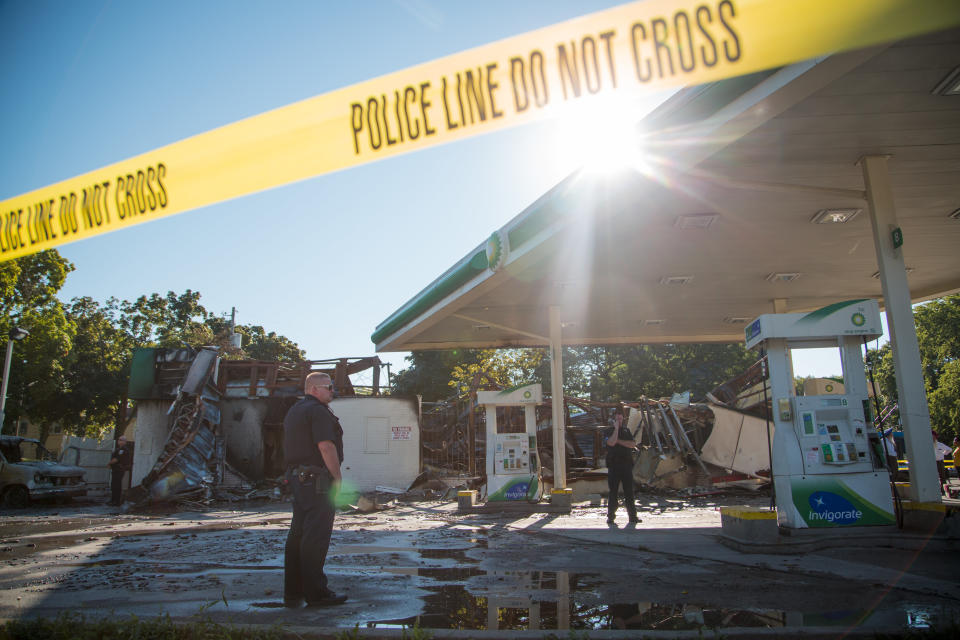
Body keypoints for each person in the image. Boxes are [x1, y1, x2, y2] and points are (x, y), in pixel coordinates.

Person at [282, 372, 347, 608]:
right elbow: (326, 446)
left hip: (298, 480)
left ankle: (293, 592)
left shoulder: (294, 411)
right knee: (315, 536)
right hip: (317, 481)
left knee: (298, 535)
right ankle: (316, 593)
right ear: (315, 389)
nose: (333, 391)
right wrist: (337, 478)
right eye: (329, 387)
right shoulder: (318, 411)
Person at [605, 410, 640, 525]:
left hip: (626, 465)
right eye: (617, 419)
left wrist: (619, 441)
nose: (620, 421)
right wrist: (615, 429)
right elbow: (611, 442)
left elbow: (632, 444)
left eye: (621, 419)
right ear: (613, 420)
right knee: (613, 492)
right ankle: (611, 517)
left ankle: (633, 516)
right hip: (614, 466)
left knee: (629, 492)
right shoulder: (608, 431)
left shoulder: (626, 430)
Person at [107, 435, 133, 506]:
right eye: (119, 440)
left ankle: (116, 501)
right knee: (114, 485)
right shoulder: (119, 449)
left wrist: (109, 463)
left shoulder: (123, 450)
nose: (120, 441)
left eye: (122, 440)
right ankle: (113, 500)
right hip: (116, 469)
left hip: (119, 469)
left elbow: (116, 459)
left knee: (116, 485)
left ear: (125, 442)